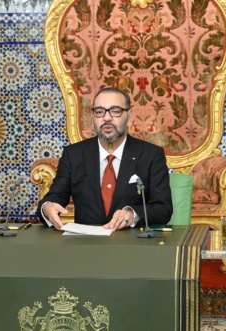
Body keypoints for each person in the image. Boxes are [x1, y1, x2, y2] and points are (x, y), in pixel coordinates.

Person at [37, 87, 172, 230]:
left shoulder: (151, 155)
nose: (107, 118)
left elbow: (163, 208)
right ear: (93, 117)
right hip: (85, 244)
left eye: (115, 111)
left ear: (129, 116)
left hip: (131, 244)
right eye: (100, 112)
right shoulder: (74, 154)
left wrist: (133, 215)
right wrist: (47, 207)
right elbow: (55, 197)